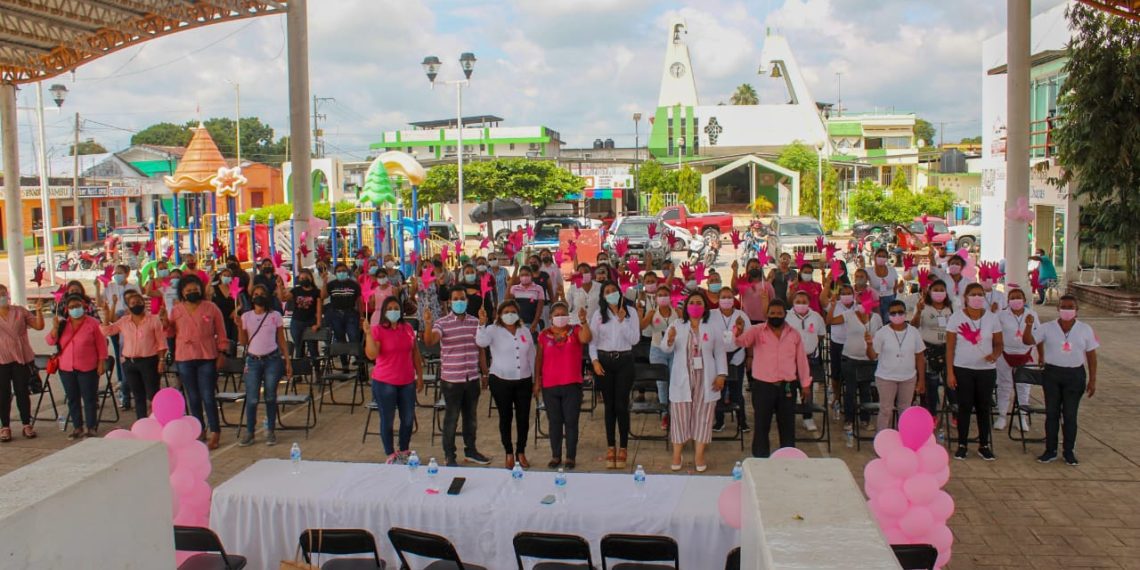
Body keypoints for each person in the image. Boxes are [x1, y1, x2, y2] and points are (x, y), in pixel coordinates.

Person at [1023, 295, 1098, 466]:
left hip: (1075, 375)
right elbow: (1028, 341)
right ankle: (1050, 450)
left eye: (1070, 307)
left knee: (1070, 415)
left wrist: (1092, 379)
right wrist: (1028, 325)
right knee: (1052, 413)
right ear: (1058, 309)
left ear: (1076, 310)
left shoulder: (1085, 329)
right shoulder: (1048, 327)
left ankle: (1069, 451)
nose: (1067, 310)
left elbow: (1091, 356)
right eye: (1063, 307)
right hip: (1052, 374)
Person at [734, 299, 811, 458]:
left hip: (788, 386)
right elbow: (740, 342)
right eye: (772, 313)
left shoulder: (794, 334)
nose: (776, 316)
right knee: (762, 425)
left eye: (779, 313)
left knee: (787, 426)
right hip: (763, 387)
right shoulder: (757, 331)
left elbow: (801, 361)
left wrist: (805, 384)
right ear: (767, 314)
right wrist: (738, 330)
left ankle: (788, 458)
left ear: (785, 314)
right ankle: (760, 461)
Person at [423, 287, 491, 467]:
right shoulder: (442, 323)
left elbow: (481, 348)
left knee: (471, 418)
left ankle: (471, 451)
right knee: (451, 419)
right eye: (455, 299)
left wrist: (485, 372)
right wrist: (428, 324)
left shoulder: (475, 322)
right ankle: (449, 455)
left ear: (467, 301)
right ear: (450, 302)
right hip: (452, 381)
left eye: (462, 298)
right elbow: (430, 341)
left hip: (472, 379)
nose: (459, 301)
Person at [661, 292, 727, 471]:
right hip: (682, 378)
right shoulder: (677, 325)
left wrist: (721, 375)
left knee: (703, 417)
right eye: (692, 302)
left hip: (707, 378)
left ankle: (699, 456)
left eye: (699, 302)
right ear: (686, 306)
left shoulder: (712, 327)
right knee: (680, 417)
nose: (695, 305)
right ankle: (677, 455)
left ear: (705, 306)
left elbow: (720, 352)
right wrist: (670, 339)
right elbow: (665, 348)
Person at [166, 275, 229, 450]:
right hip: (184, 357)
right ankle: (198, 429)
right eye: (188, 291)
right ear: (182, 293)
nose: (193, 293)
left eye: (195, 290)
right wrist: (165, 323)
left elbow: (222, 333)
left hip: (207, 356)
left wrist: (222, 353)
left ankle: (215, 431)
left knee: (208, 396)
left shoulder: (211, 308)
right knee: (192, 397)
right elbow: (170, 333)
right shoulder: (177, 310)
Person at [946, 283, 1003, 461]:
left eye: (980, 295)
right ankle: (962, 444)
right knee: (964, 407)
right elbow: (950, 347)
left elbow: (999, 343)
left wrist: (995, 355)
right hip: (963, 369)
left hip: (986, 370)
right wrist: (950, 372)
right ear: (966, 298)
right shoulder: (956, 318)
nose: (977, 298)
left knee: (983, 408)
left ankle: (983, 444)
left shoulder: (992, 318)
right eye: (973, 294)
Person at [476, 300, 536, 469]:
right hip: (501, 380)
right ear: (500, 314)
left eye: (513, 311)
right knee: (505, 417)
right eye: (506, 312)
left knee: (523, 418)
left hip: (523, 379)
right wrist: (481, 324)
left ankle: (521, 451)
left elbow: (532, 355)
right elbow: (481, 342)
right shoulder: (493, 330)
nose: (510, 314)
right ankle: (509, 452)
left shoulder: (524, 330)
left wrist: (535, 380)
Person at [364, 295, 424, 463]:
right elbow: (372, 354)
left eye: (396, 308)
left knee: (407, 418)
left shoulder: (408, 329)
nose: (393, 312)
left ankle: (404, 449)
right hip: (385, 383)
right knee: (388, 419)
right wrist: (368, 334)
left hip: (407, 381)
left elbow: (415, 353)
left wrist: (419, 376)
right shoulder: (377, 330)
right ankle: (390, 453)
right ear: (383, 312)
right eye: (389, 309)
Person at [589, 281, 641, 469]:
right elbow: (592, 342)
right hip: (603, 362)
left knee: (621, 405)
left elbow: (635, 339)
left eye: (613, 291)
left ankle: (624, 447)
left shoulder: (630, 312)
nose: (611, 294)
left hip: (624, 362)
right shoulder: (598, 314)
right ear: (603, 296)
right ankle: (611, 446)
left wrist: (621, 321)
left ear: (619, 292)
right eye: (607, 292)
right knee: (609, 406)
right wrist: (594, 361)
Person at [534, 303, 592, 470]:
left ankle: (570, 457)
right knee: (555, 422)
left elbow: (587, 338)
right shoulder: (544, 335)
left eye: (563, 313)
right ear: (551, 317)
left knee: (571, 422)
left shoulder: (575, 331)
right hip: (550, 385)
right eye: (557, 314)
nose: (560, 316)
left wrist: (584, 321)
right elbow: (539, 359)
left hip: (572, 384)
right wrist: (537, 381)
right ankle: (556, 455)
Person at [236, 285, 291, 447]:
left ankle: (270, 430)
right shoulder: (246, 316)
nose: (259, 296)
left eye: (262, 294)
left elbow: (281, 339)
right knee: (252, 398)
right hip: (253, 360)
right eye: (256, 294)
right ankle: (250, 431)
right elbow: (243, 342)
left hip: (272, 359)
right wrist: (239, 326)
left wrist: (287, 360)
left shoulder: (275, 316)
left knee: (270, 396)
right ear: (252, 297)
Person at [47, 294, 108, 439]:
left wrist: (101, 362)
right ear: (67, 310)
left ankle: (91, 426)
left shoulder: (92, 323)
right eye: (72, 307)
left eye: (78, 306)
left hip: (88, 367)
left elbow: (102, 345)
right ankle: (77, 427)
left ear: (84, 307)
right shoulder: (62, 324)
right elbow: (50, 341)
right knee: (73, 398)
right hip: (66, 368)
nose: (75, 309)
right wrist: (54, 329)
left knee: (89, 398)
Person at [99, 291, 165, 421]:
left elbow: (161, 343)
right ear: (128, 306)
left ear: (144, 304)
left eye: (139, 302)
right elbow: (107, 331)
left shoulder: (154, 320)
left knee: (153, 394)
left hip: (149, 361)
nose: (136, 305)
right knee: (138, 395)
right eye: (133, 303)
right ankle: (142, 421)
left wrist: (161, 360)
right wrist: (106, 315)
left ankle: (158, 420)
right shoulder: (124, 321)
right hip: (130, 363)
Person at [832, 284, 883, 440]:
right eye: (860, 300)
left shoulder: (876, 318)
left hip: (867, 359)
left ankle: (865, 419)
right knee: (850, 391)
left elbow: (880, 336)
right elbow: (831, 321)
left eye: (866, 300)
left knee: (866, 390)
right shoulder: (849, 314)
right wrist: (834, 303)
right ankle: (849, 419)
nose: (862, 304)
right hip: (850, 358)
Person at [868, 300, 926, 432]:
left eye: (900, 312)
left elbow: (920, 356)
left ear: (905, 313)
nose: (897, 315)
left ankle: (904, 438)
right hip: (886, 377)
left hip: (908, 378)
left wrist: (921, 380)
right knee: (885, 410)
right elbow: (872, 356)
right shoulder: (882, 332)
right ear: (888, 315)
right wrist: (869, 345)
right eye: (893, 313)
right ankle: (882, 440)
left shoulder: (913, 332)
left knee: (905, 410)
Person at [0, 287, 44, 441]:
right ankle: (5, 426)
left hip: (21, 358)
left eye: (3, 294)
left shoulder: (19, 311)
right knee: (3, 394)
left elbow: (39, 326)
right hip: (2, 359)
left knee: (22, 392)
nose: (1, 297)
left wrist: (38, 311)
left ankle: (26, 424)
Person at [994, 288, 1039, 432]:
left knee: (1024, 386)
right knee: (1004, 385)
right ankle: (1002, 416)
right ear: (1008, 301)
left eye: (1018, 297)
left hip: (1026, 353)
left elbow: (1038, 335)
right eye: (1012, 298)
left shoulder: (1032, 314)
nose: (1015, 300)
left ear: (1024, 300)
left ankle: (1021, 417)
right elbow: (995, 335)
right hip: (1005, 353)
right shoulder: (1001, 315)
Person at [97, 264, 140, 410]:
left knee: (130, 357)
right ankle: (123, 386)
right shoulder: (109, 287)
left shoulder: (133, 288)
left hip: (130, 324)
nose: (117, 275)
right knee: (120, 355)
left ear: (127, 273)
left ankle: (130, 387)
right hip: (115, 323)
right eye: (116, 272)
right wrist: (98, 288)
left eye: (120, 272)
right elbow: (100, 303)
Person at [709, 285, 751, 433]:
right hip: (716, 358)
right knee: (718, 390)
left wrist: (739, 333)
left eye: (729, 297)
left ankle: (742, 422)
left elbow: (749, 339)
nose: (726, 300)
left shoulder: (741, 316)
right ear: (718, 299)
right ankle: (719, 421)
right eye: (723, 297)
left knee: (737, 391)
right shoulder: (711, 315)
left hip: (736, 356)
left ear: (734, 299)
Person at [912, 280, 953, 423]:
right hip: (929, 349)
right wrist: (918, 311)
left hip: (946, 349)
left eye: (942, 289)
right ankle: (931, 414)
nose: (939, 292)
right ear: (930, 291)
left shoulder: (950, 308)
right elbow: (914, 325)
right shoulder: (924, 307)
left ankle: (955, 413)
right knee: (931, 383)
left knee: (951, 382)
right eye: (936, 289)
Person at [641, 283, 678, 430]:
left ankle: (675, 411)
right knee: (662, 383)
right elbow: (641, 327)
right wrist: (640, 312)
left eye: (666, 295)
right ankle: (665, 414)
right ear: (655, 298)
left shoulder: (677, 312)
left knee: (674, 381)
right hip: (657, 350)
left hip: (675, 350)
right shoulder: (652, 313)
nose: (663, 298)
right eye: (660, 295)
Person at [788, 290, 825, 432]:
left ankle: (807, 417)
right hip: (791, 360)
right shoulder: (787, 317)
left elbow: (821, 335)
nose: (801, 304)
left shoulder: (816, 317)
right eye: (798, 302)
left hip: (810, 359)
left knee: (807, 389)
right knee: (790, 388)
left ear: (809, 303)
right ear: (793, 302)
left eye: (804, 302)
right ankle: (788, 415)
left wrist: (810, 344)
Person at [324, 262, 362, 366]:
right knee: (340, 340)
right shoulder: (332, 284)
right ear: (335, 273)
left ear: (347, 272)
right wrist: (324, 282)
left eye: (344, 271)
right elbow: (323, 296)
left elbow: (359, 301)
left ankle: (360, 366)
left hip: (351, 314)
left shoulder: (353, 284)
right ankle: (344, 365)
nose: (341, 273)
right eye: (339, 271)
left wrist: (362, 316)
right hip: (336, 314)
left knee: (354, 337)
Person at [282, 268, 323, 360]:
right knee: (299, 347)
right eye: (301, 278)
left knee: (313, 348)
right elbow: (283, 299)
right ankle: (301, 371)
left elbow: (319, 309)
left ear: (311, 278)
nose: (303, 279)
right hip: (297, 322)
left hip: (310, 322)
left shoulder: (316, 292)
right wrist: (280, 287)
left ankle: (317, 370)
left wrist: (318, 323)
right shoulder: (296, 290)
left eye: (305, 277)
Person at [506, 265, 546, 330]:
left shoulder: (538, 288)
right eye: (522, 275)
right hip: (517, 324)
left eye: (527, 274)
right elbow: (507, 301)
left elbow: (540, 308)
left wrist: (535, 322)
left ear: (531, 275)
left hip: (532, 324)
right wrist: (509, 284)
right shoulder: (514, 288)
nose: (524, 277)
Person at [869, 248, 900, 322]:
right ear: (875, 257)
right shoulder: (869, 271)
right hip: (874, 300)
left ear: (887, 258)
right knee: (876, 322)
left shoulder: (892, 270)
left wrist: (894, 295)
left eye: (884, 256)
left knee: (889, 322)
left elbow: (896, 285)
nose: (881, 258)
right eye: (879, 256)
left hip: (889, 299)